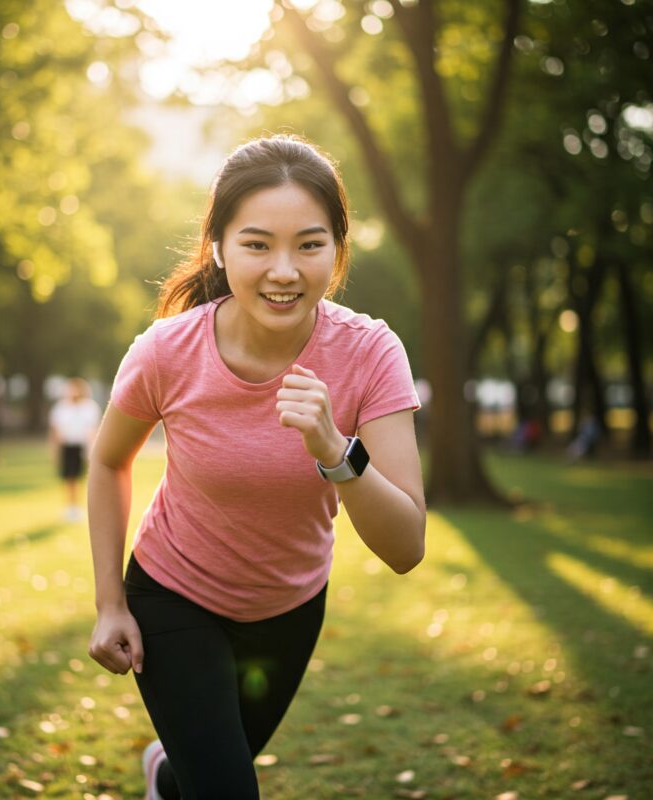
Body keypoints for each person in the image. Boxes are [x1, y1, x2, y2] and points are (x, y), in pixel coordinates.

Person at [87, 135, 426, 800]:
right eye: (256, 244)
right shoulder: (168, 351)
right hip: (174, 594)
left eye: (308, 244)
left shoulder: (370, 354)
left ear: (337, 246)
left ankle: (164, 774)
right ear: (218, 246)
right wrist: (108, 604)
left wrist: (337, 449)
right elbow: (106, 462)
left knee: (200, 778)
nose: (283, 270)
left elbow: (407, 547)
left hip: (289, 609)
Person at [49, 377, 101, 521]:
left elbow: (93, 430)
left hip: (83, 447)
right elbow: (55, 431)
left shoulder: (90, 407)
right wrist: (54, 451)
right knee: (70, 478)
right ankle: (71, 507)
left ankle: (83, 507)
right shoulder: (61, 408)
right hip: (68, 446)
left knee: (83, 478)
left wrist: (91, 449)